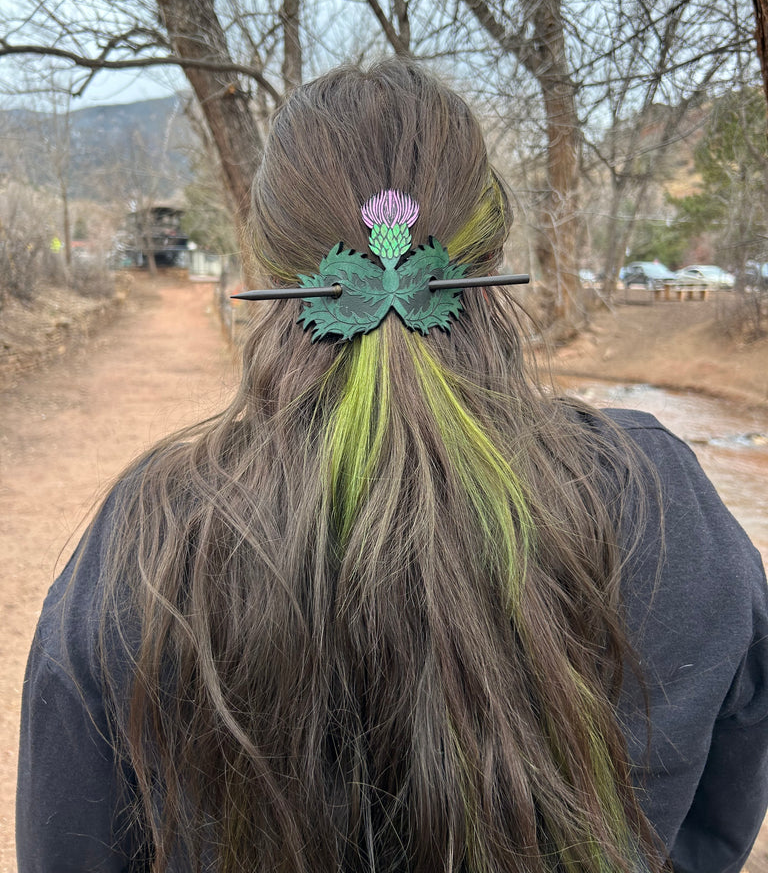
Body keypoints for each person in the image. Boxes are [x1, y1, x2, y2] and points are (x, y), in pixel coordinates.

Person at [16, 58, 768, 873]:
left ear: (269, 270)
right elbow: (722, 792)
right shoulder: (659, 497)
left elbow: (69, 844)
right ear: (489, 262)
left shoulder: (151, 541)